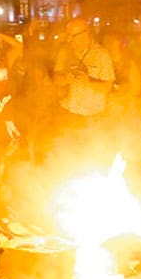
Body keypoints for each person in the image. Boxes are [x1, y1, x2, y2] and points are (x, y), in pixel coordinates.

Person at [52, 18, 116, 167]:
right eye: (68, 35)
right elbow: (56, 79)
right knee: (69, 158)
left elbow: (107, 87)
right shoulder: (65, 52)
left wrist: (89, 81)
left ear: (86, 33)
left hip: (92, 118)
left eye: (73, 35)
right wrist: (65, 78)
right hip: (69, 114)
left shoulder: (101, 55)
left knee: (91, 158)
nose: (69, 39)